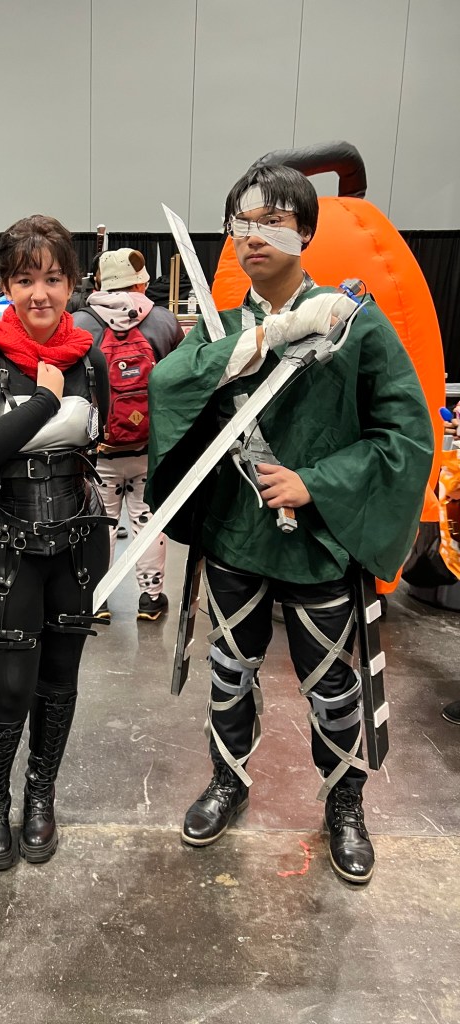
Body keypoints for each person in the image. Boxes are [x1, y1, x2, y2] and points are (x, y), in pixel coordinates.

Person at [146, 164, 434, 884]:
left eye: (272, 222)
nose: (254, 237)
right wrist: (272, 335)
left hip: (318, 544)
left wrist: (317, 482)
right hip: (237, 536)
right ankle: (227, 780)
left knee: (333, 687)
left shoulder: (354, 323)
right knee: (229, 672)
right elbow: (168, 386)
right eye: (241, 224)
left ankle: (345, 803)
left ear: (303, 231)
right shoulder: (224, 331)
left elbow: (406, 434)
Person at [0, 214, 110, 871]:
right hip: (1, 545)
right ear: (5, 285)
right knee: (11, 687)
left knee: (60, 681)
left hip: (78, 542)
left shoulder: (89, 354)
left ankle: (41, 794)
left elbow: (95, 438)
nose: (39, 292)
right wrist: (44, 403)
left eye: (53, 278)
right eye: (24, 279)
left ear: (72, 283)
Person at [73, 248, 183, 621]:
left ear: (100, 282)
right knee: (146, 521)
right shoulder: (164, 321)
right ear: (140, 283)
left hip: (100, 451)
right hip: (149, 449)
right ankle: (150, 599)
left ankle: (98, 600)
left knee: (101, 521)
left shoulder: (80, 323)